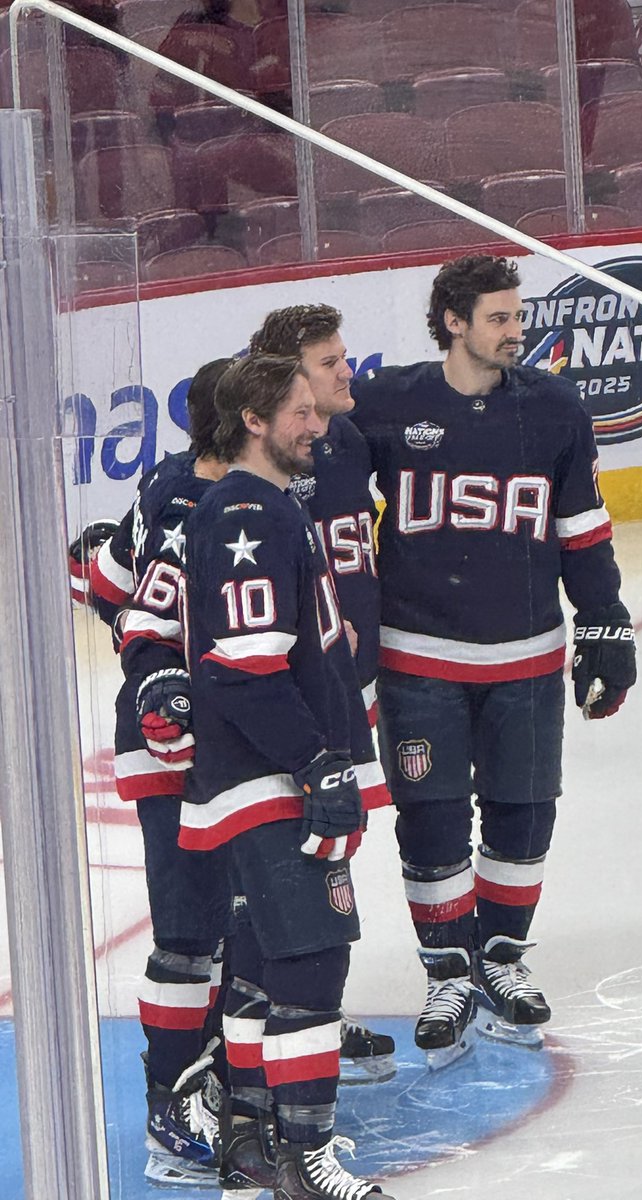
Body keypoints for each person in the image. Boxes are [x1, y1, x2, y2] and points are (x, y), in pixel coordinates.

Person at [350, 254, 637, 1064]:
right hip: (418, 658)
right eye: (500, 318)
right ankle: (448, 969)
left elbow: (582, 525)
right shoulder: (386, 403)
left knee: (524, 810)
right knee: (432, 817)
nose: (517, 332)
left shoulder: (553, 407)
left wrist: (605, 620)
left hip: (528, 656)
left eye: (518, 316)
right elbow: (321, 484)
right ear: (454, 323)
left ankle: (502, 957)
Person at [180, 353, 393, 1200]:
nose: (319, 425)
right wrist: (315, 762)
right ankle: (306, 1158)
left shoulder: (265, 506)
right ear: (254, 422)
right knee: (310, 957)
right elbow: (243, 667)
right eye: (300, 412)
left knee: (264, 961)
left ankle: (250, 1140)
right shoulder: (249, 512)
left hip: (258, 776)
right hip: (270, 779)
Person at [69, 359, 233, 1186]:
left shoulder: (173, 478)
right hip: (174, 739)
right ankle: (172, 1106)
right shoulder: (198, 503)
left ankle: (219, 1077)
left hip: (212, 738)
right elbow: (137, 610)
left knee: (231, 922)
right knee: (192, 930)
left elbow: (101, 582)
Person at [248, 304, 394, 1083]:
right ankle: (277, 1020)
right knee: (285, 855)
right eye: (329, 363)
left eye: (345, 357)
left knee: (332, 848)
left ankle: (310, 1011)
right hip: (294, 698)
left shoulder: (349, 441)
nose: (347, 371)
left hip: (350, 686)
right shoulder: (259, 469)